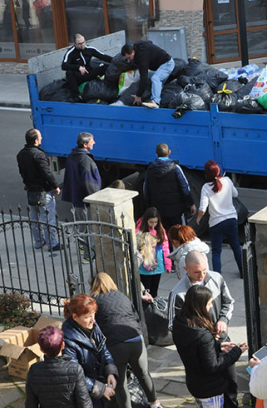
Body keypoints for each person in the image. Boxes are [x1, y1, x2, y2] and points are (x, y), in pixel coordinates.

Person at [169, 251, 238, 407]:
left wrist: (223, 320)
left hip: (222, 341)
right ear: (186, 269)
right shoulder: (178, 293)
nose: (202, 275)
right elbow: (173, 325)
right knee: (212, 385)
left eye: (205, 271)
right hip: (201, 350)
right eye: (197, 272)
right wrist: (200, 340)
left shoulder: (217, 278)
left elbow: (229, 302)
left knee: (231, 382)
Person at [90, 273, 162, 408]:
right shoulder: (122, 296)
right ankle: (155, 403)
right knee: (144, 374)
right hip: (136, 339)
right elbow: (135, 316)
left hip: (116, 344)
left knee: (120, 382)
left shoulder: (94, 301)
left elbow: (94, 327)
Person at [172, 285, 246, 408]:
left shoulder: (180, 321)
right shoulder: (203, 335)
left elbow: (195, 349)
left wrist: (217, 345)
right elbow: (213, 366)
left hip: (195, 383)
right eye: (209, 303)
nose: (211, 306)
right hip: (210, 389)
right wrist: (236, 352)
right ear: (199, 305)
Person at [62, 294, 118, 408]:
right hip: (85, 395)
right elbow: (74, 374)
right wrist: (100, 389)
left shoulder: (93, 326)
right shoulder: (68, 339)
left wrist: (110, 371)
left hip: (99, 386)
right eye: (87, 316)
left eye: (93, 315)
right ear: (75, 317)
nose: (92, 320)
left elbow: (104, 349)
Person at [25, 325, 93, 408]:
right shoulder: (75, 369)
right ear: (63, 345)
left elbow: (30, 403)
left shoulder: (34, 370)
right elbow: (84, 402)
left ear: (41, 349)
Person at [16, 129, 61, 252]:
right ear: (36, 140)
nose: (41, 139)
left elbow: (22, 172)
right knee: (47, 219)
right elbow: (47, 173)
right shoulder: (38, 154)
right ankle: (52, 244)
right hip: (43, 191)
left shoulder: (21, 154)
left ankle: (38, 241)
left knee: (34, 219)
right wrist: (55, 186)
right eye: (40, 137)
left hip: (31, 191)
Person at [196, 160, 241, 276]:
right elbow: (235, 194)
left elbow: (202, 208)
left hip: (216, 223)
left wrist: (198, 218)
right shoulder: (227, 181)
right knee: (236, 246)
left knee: (216, 251)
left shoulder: (206, 187)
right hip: (231, 219)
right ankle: (243, 272)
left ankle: (217, 276)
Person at [62, 132, 102, 261]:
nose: (94, 143)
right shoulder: (85, 160)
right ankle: (88, 255)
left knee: (81, 226)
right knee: (89, 229)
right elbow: (89, 183)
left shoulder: (72, 156)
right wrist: (96, 199)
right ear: (85, 144)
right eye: (92, 141)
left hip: (76, 198)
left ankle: (82, 247)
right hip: (85, 201)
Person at [141, 143, 196, 230]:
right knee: (179, 234)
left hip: (159, 210)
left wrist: (149, 207)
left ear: (156, 154)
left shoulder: (149, 170)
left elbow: (146, 191)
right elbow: (185, 187)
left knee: (164, 235)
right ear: (169, 152)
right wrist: (191, 203)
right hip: (176, 210)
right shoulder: (175, 168)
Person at [120, 40, 175, 108]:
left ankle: (155, 102)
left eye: (129, 58)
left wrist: (138, 95)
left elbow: (144, 78)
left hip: (167, 64)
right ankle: (158, 89)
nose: (128, 60)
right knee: (150, 79)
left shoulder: (142, 58)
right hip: (159, 66)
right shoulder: (137, 45)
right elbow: (150, 42)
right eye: (126, 59)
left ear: (133, 52)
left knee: (155, 78)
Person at [134, 207, 172, 297]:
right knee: (146, 291)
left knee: (154, 291)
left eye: (155, 222)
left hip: (157, 265)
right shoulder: (139, 230)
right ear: (146, 220)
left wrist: (168, 264)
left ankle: (153, 308)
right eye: (151, 222)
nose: (153, 225)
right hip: (144, 266)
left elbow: (165, 248)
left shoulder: (160, 230)